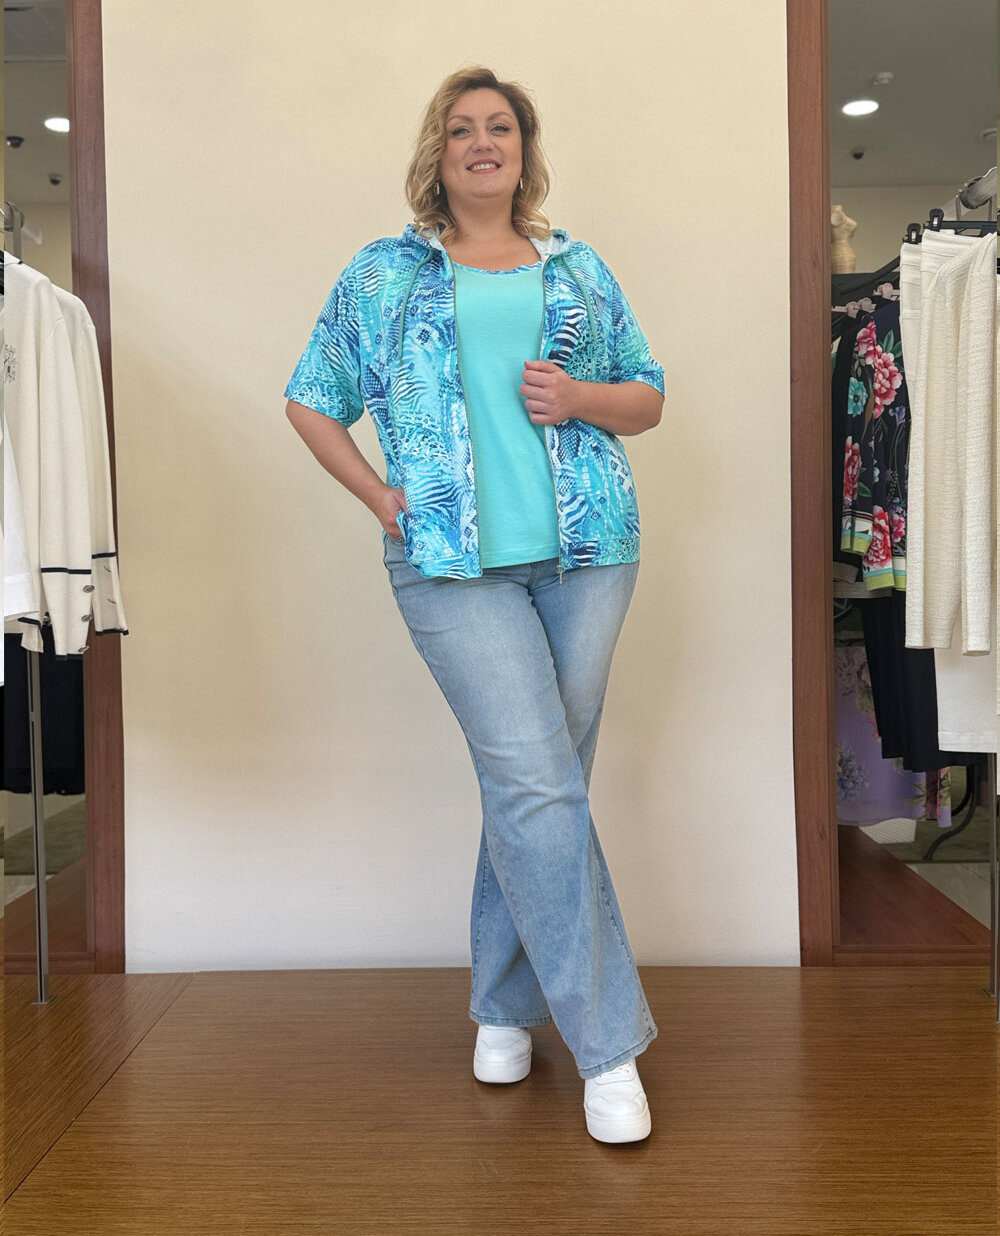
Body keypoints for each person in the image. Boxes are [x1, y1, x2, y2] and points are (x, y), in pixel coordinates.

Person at [284, 65, 664, 1145]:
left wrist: (579, 396)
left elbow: (647, 395)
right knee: (539, 786)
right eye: (463, 129)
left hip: (590, 555)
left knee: (539, 786)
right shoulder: (386, 273)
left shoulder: (577, 268)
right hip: (451, 566)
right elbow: (310, 399)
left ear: (524, 150)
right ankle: (608, 1051)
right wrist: (380, 498)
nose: (483, 142)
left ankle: (502, 1008)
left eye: (501, 127)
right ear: (439, 152)